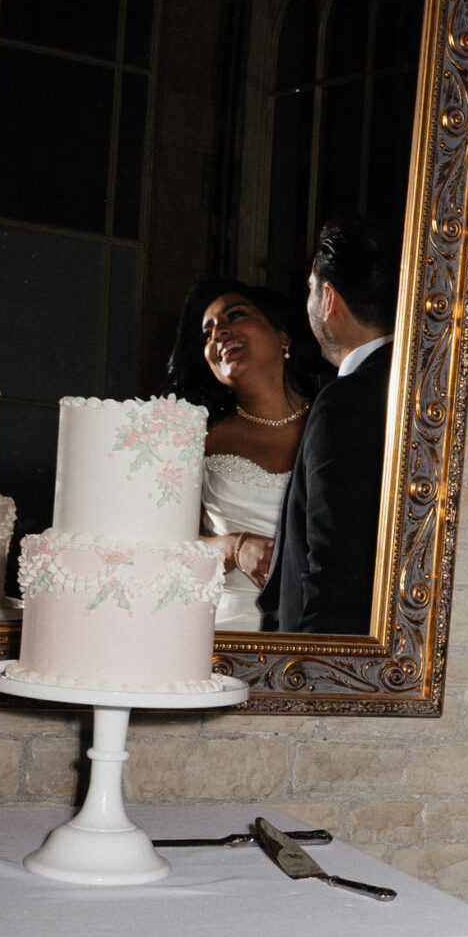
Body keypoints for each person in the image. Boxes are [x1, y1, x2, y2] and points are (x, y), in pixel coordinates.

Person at [259, 218, 399, 635]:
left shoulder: (347, 400)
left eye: (309, 289)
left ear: (329, 300)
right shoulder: (412, 386)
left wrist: (309, 677)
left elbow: (336, 564)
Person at [165, 281, 328, 630]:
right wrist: (234, 548)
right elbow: (167, 546)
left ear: (283, 337)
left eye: (236, 316)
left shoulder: (332, 423)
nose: (219, 333)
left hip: (321, 627)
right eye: (207, 333)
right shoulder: (196, 440)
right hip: (226, 629)